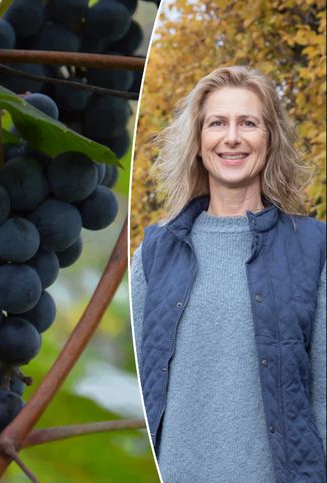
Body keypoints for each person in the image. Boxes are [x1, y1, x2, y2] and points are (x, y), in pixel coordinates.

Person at [130, 66, 326, 483]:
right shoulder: (155, 253)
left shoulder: (313, 249)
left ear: (269, 139)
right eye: (217, 123)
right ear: (199, 141)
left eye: (248, 123)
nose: (232, 137)